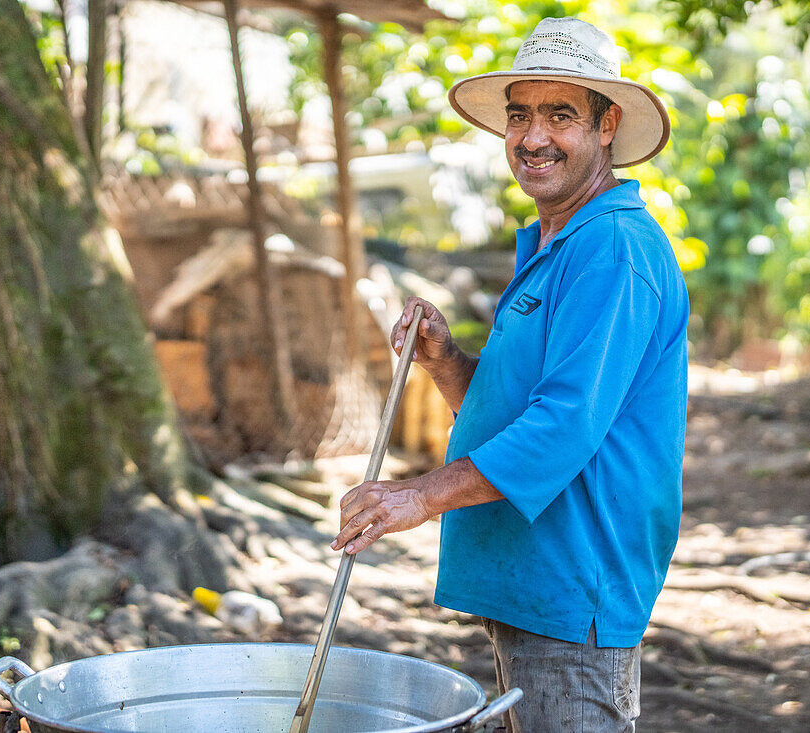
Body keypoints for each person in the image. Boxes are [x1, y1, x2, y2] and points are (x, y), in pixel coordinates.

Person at [330, 16, 688, 733]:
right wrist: (446, 363)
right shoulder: (556, 241)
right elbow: (518, 409)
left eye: (561, 115)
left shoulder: (612, 247)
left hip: (573, 591)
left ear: (607, 123)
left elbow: (562, 428)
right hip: (530, 586)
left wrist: (418, 498)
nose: (533, 138)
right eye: (520, 115)